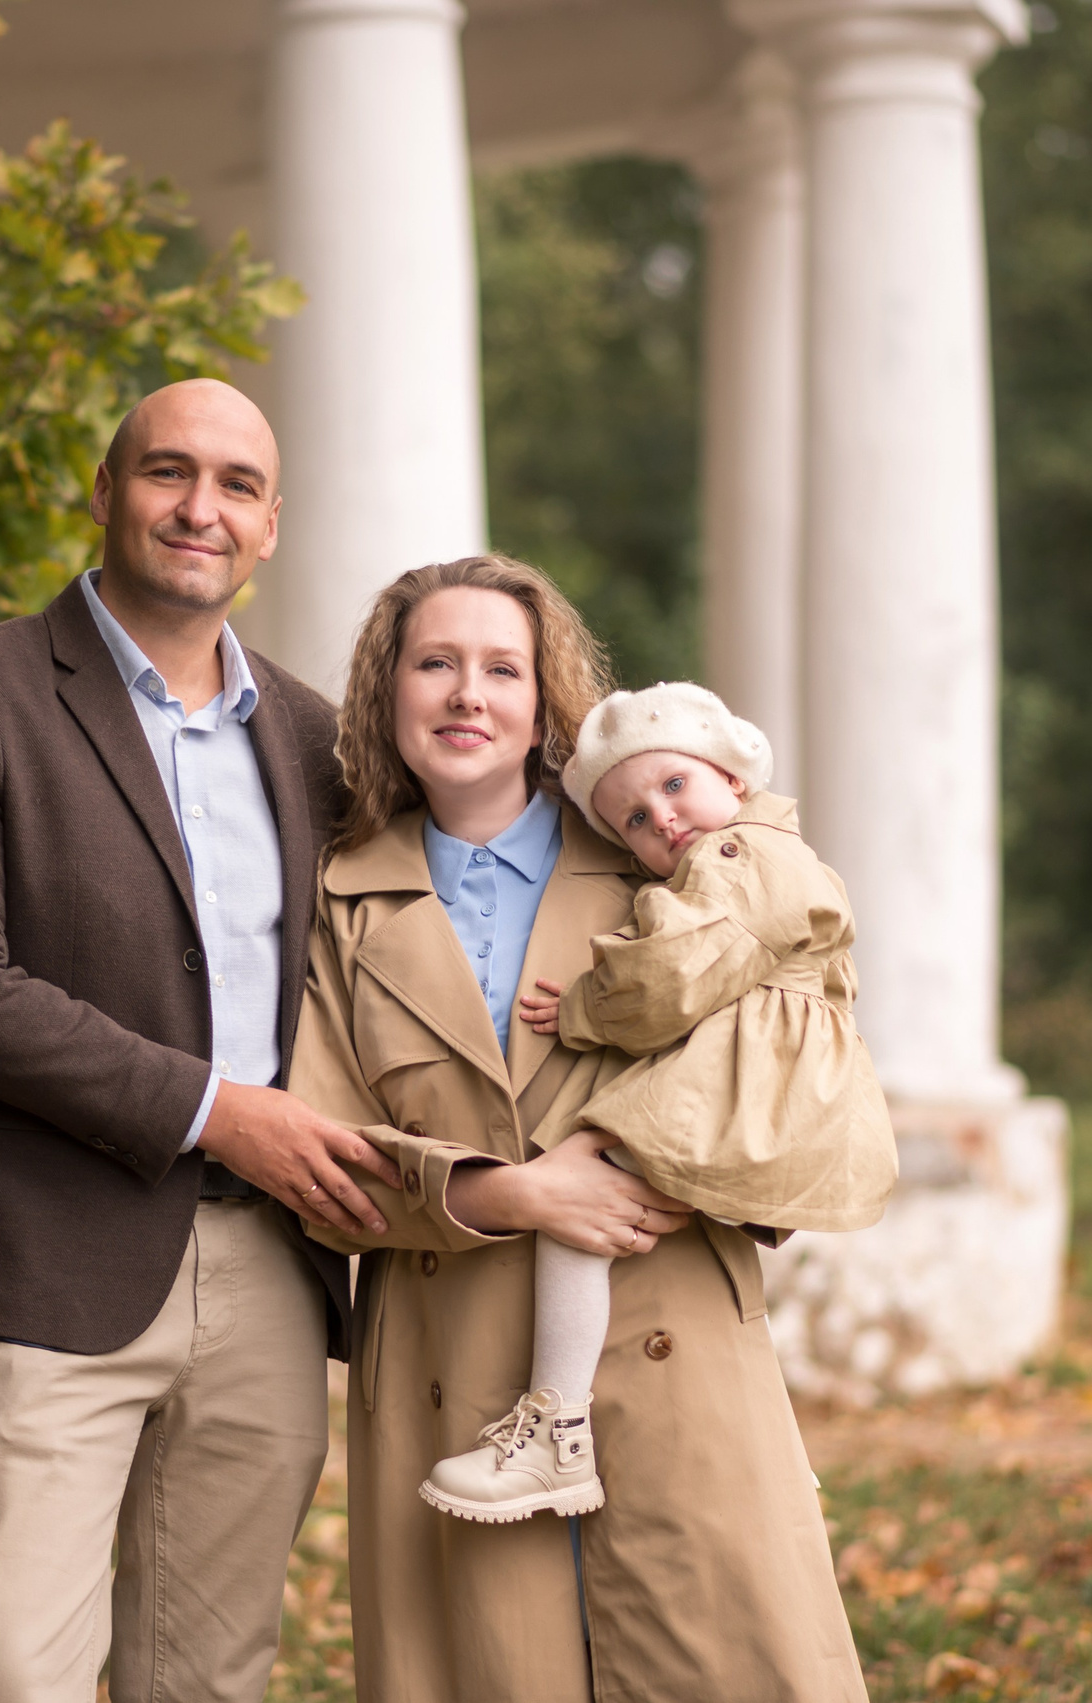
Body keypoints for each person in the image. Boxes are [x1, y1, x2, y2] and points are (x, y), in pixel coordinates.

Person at [0, 378, 397, 1703]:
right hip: (47, 1255)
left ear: (270, 525)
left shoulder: (318, 736)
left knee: (210, 1677)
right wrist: (224, 1109)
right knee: (19, 1675)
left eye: (236, 485)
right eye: (167, 472)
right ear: (104, 495)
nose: (198, 507)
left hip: (272, 1269)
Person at [288, 556, 868, 1703]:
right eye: (435, 664)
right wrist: (510, 1193)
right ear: (385, 691)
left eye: (502, 667)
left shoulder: (670, 857)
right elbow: (316, 1146)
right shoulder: (339, 896)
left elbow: (799, 1054)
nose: (468, 695)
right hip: (449, 1369)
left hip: (671, 1334)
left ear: (547, 700)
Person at [417, 679, 897, 1520]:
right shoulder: (755, 858)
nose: (662, 819)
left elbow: (675, 978)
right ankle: (756, 1454)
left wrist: (584, 1005)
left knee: (577, 1188)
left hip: (754, 1082)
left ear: (733, 779)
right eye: (633, 818)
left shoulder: (741, 856)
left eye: (673, 785)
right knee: (604, 1210)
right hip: (768, 1078)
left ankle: (557, 1431)